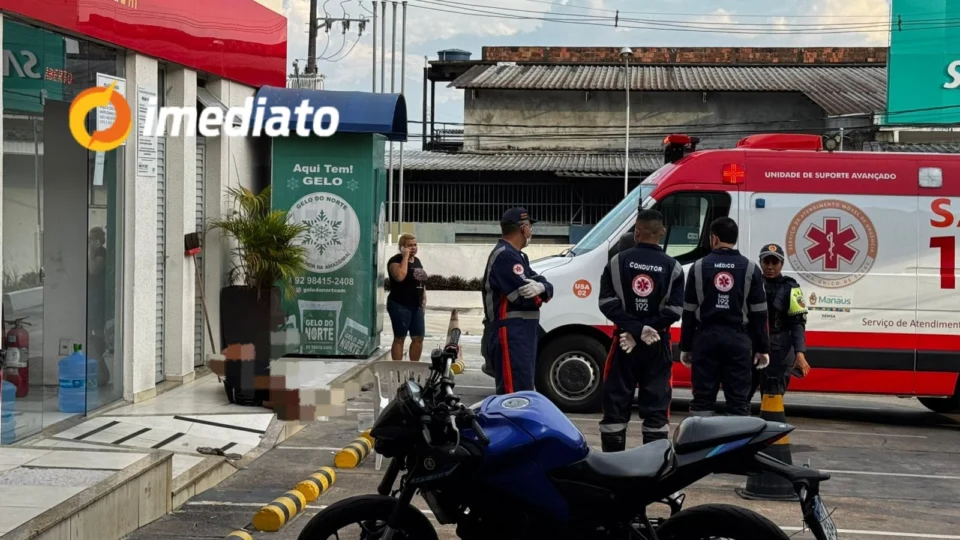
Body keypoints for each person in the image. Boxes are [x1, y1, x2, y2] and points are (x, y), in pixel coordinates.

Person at [598, 210, 685, 451]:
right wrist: (647, 330)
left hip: (624, 342)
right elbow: (675, 310)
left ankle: (614, 469)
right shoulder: (674, 267)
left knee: (615, 406)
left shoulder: (617, 262)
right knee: (657, 408)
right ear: (662, 232)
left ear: (636, 232)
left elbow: (606, 303)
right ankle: (653, 471)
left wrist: (633, 330)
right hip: (657, 345)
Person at [679, 217, 770, 416]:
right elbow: (759, 314)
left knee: (702, 400)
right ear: (734, 239)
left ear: (714, 238)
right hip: (738, 340)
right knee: (738, 400)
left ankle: (700, 442)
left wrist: (686, 346)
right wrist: (762, 348)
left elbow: (688, 312)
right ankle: (735, 445)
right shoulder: (751, 268)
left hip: (706, 338)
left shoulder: (699, 267)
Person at [482, 207, 554, 394]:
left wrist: (543, 287)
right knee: (513, 393)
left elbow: (542, 283)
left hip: (521, 333)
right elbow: (526, 298)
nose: (531, 231)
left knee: (523, 389)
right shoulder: (505, 256)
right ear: (523, 228)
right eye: (530, 226)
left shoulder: (519, 256)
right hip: (511, 333)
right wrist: (542, 292)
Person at [748, 244, 811, 402]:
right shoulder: (750, 284)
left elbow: (798, 324)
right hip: (751, 346)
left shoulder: (791, 288)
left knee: (772, 398)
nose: (770, 266)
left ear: (781, 264)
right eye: (766, 262)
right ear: (760, 263)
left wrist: (800, 354)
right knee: (740, 396)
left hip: (779, 349)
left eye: (774, 262)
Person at [387, 233, 427, 361]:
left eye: (415, 245)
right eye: (410, 246)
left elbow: (421, 281)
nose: (413, 248)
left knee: (418, 338)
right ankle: (398, 369)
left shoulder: (417, 261)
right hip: (399, 305)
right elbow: (400, 276)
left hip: (416, 305)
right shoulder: (394, 261)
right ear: (402, 247)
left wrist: (424, 300)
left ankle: (413, 368)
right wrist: (405, 257)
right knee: (400, 338)